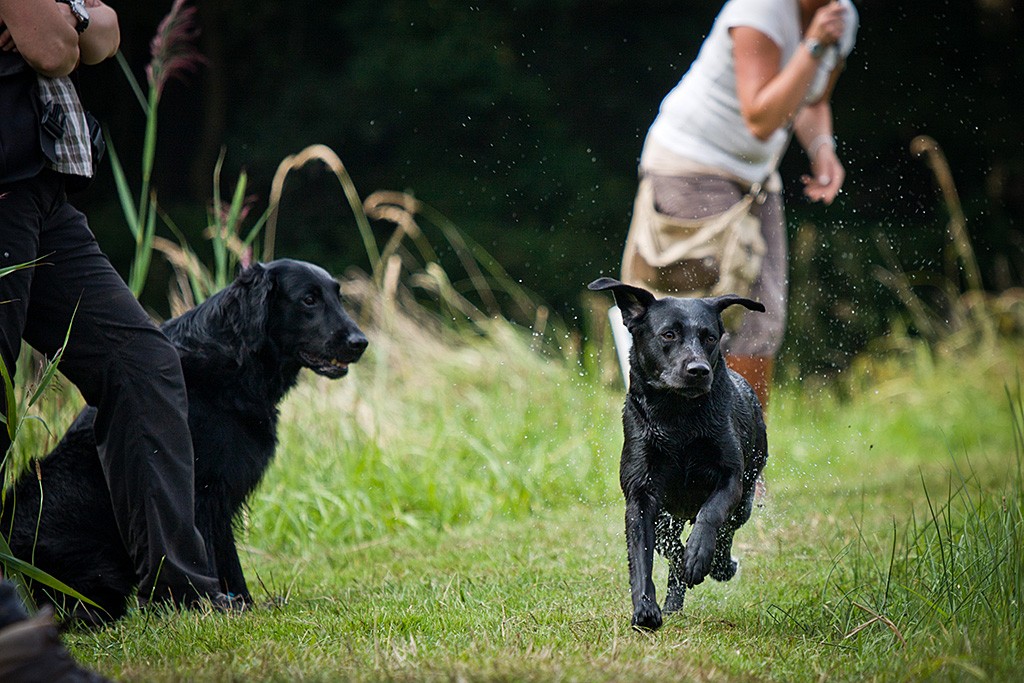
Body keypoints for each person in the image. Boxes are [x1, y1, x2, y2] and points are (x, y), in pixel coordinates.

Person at [0, 0, 237, 614]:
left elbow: (101, 37)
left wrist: (66, 16)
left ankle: (181, 593)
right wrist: (67, 24)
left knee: (141, 362)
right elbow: (54, 51)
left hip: (44, 189)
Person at [619, 0, 858, 414]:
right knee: (675, 315)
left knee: (760, 316)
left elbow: (811, 98)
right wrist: (815, 43)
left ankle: (744, 458)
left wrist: (822, 149)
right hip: (690, 163)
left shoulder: (842, 19)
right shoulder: (759, 10)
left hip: (757, 177)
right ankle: (657, 445)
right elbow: (761, 117)